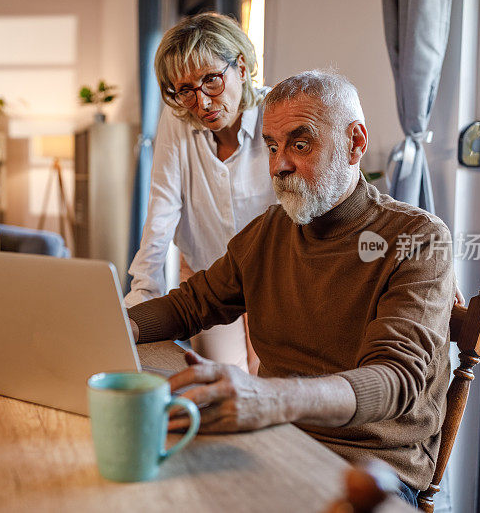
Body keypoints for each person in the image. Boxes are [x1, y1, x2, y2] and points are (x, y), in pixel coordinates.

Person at [126, 70, 455, 506]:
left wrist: (271, 398)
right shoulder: (270, 230)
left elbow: (394, 379)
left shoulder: (418, 238)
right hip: (272, 440)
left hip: (366, 471)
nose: (279, 165)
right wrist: (119, 325)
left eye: (301, 145)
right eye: (273, 146)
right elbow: (192, 304)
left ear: (356, 143)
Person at [124, 13, 277, 374]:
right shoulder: (178, 120)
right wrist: (142, 297)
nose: (202, 103)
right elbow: (162, 207)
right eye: (186, 90)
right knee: (220, 383)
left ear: (240, 66)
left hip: (273, 278)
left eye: (211, 80)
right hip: (210, 282)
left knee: (268, 382)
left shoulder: (277, 112)